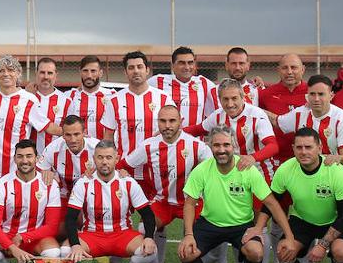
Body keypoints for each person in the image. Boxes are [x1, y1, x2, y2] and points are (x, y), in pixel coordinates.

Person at [177, 126, 297, 263]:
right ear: (210, 146)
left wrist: (289, 236)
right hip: (210, 224)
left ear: (233, 145)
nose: (222, 149)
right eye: (217, 145)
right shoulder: (202, 169)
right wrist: (188, 235)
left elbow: (272, 203)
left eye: (226, 144)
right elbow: (189, 203)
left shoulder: (247, 169)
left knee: (256, 252)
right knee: (186, 252)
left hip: (241, 226)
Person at [118, 104, 212, 263]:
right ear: (157, 123)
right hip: (162, 201)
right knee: (146, 227)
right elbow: (123, 165)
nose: (167, 125)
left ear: (181, 122)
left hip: (192, 202)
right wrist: (117, 172)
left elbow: (214, 174)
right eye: (163, 121)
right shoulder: (149, 146)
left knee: (213, 230)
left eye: (172, 121)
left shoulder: (197, 146)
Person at [270, 127, 343, 263]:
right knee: (283, 250)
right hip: (302, 220)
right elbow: (271, 203)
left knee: (341, 252)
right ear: (293, 148)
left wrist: (323, 245)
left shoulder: (336, 171)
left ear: (319, 148)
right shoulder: (285, 169)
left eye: (308, 147)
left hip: (334, 221)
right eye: (299, 147)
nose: (303, 152)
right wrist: (262, 228)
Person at [64, 141, 158, 263]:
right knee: (65, 251)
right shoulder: (84, 183)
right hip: (92, 234)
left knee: (150, 251)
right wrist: (75, 245)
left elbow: (148, 215)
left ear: (116, 158)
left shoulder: (128, 182)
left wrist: (148, 237)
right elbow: (70, 218)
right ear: (94, 159)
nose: (104, 161)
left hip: (122, 234)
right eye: (100, 157)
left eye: (109, 157)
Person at [100, 51, 174, 190]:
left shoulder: (163, 98)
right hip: (125, 169)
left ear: (147, 70)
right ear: (125, 72)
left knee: (155, 211)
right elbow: (108, 138)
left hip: (157, 167)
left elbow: (174, 131)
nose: (136, 71)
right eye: (131, 68)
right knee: (124, 211)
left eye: (139, 67)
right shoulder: (114, 100)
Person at [270, 74, 343, 165]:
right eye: (312, 94)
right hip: (306, 171)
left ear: (331, 96)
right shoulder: (300, 113)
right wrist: (254, 109)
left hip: (332, 171)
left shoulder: (342, 119)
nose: (316, 99)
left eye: (321, 94)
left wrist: (331, 158)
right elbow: (276, 121)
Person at [0, 55, 39, 190]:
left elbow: (47, 127)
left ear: (18, 73)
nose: (6, 74)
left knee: (18, 206)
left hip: (19, 166)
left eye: (10, 70)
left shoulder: (30, 100)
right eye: (1, 71)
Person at [259, 53, 308, 163]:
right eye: (285, 68)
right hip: (276, 159)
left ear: (303, 69)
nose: (289, 72)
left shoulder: (313, 93)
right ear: (278, 70)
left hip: (308, 158)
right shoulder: (265, 95)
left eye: (294, 67)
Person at [148, 46, 215, 126]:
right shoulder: (157, 81)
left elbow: (217, 110)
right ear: (173, 66)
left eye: (190, 63)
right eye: (182, 63)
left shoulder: (204, 83)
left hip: (195, 138)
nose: (187, 67)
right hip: (166, 137)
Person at [37, 115, 99, 199]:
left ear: (84, 133)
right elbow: (38, 175)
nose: (73, 140)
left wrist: (97, 174)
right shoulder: (52, 149)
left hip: (90, 197)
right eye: (68, 135)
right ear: (62, 134)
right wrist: (46, 174)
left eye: (76, 134)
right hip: (62, 197)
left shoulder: (97, 148)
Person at [26, 57, 66, 152]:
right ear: (36, 74)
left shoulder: (66, 100)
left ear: (56, 75)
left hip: (56, 156)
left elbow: (70, 127)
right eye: (42, 72)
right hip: (29, 158)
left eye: (50, 73)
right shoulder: (26, 98)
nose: (46, 77)